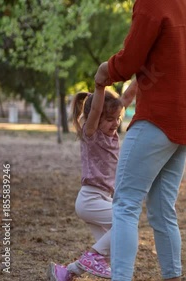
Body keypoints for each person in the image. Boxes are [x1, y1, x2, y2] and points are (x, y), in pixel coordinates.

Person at [94, 0, 186, 280]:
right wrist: (156, 72)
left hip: (158, 118)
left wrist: (105, 71)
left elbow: (130, 59)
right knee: (161, 210)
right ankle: (173, 276)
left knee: (124, 204)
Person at [48, 81, 137, 281]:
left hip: (101, 199)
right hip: (90, 199)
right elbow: (96, 109)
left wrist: (144, 70)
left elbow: (128, 96)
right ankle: (90, 257)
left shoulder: (111, 134)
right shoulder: (92, 133)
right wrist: (100, 86)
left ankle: (66, 272)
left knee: (114, 244)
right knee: (126, 222)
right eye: (109, 119)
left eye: (118, 118)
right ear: (94, 119)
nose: (115, 123)